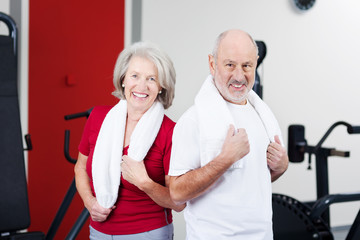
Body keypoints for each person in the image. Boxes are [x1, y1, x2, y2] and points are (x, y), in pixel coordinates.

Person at [168, 29, 289, 240]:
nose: (239, 76)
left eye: (246, 65)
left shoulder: (263, 117)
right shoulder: (193, 121)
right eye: (230, 65)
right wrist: (225, 159)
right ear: (213, 64)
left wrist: (282, 166)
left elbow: (253, 179)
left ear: (256, 64)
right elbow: (177, 193)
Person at [74, 42, 185, 240]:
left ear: (161, 87)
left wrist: (145, 183)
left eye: (152, 79)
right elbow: (80, 168)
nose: (141, 86)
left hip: (148, 233)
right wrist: (90, 202)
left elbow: (179, 203)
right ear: (123, 79)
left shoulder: (170, 132)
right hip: (98, 232)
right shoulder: (98, 117)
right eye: (135, 76)